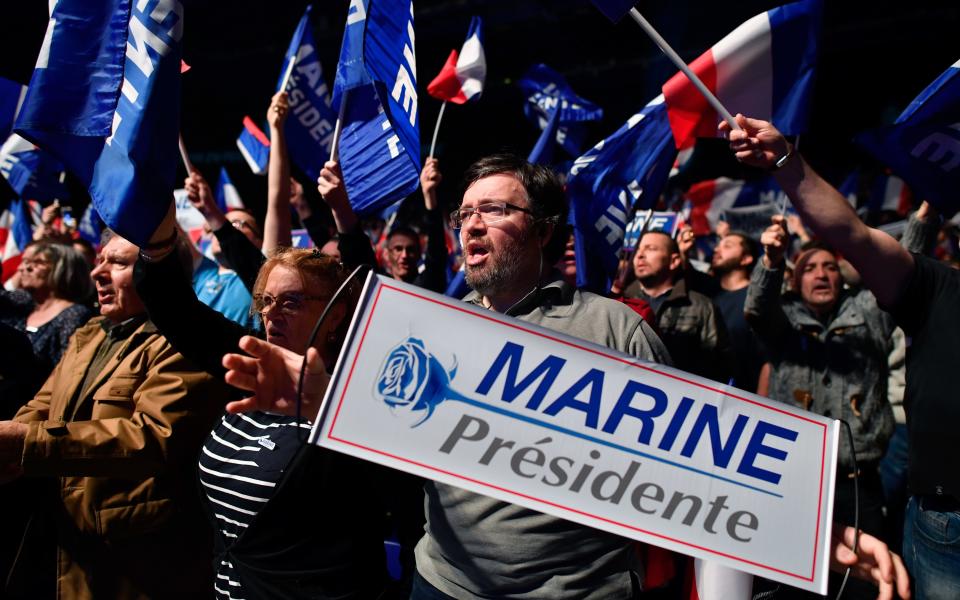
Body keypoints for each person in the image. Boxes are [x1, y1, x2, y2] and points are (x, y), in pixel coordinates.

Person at [222, 154, 911, 600]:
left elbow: (698, 468)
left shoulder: (615, 329)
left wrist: (807, 533)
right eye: (464, 213)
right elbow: (394, 448)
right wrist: (318, 401)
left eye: (494, 209)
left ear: (544, 228)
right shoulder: (430, 327)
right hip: (445, 585)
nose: (471, 224)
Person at [135, 204, 420, 599]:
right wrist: (155, 225)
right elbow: (178, 312)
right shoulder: (255, 364)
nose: (272, 315)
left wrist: (331, 406)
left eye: (291, 302)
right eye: (266, 302)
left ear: (336, 315)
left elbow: (411, 513)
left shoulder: (367, 399)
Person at [723, 113, 932, 599]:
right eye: (809, 267)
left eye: (829, 267)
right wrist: (773, 263)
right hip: (790, 487)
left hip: (861, 487)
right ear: (797, 281)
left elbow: (902, 273)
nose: (821, 274)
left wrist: (924, 215)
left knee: (864, 587)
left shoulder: (871, 313)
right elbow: (757, 309)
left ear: (843, 277)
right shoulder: (785, 322)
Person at [0, 230, 228, 599]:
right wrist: (11, 444)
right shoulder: (91, 332)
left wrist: (25, 442)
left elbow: (153, 437)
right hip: (63, 539)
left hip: (130, 559)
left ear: (160, 273)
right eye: (100, 260)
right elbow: (43, 406)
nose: (97, 273)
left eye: (118, 262)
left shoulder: (186, 342)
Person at [318, 157, 450, 292]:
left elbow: (436, 255)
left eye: (411, 250)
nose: (404, 256)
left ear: (419, 254)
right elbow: (357, 256)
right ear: (386, 254)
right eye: (398, 249)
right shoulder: (377, 287)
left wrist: (430, 195)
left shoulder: (428, 287)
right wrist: (341, 207)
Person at [623, 230, 733, 383]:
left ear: (674, 261)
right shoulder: (621, 300)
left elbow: (719, 365)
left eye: (651, 249)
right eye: (638, 250)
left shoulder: (701, 306)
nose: (640, 255)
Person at [0, 241, 94, 379]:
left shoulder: (74, 316)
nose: (25, 268)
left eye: (38, 262)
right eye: (25, 262)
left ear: (65, 269)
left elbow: (65, 374)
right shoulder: (22, 301)